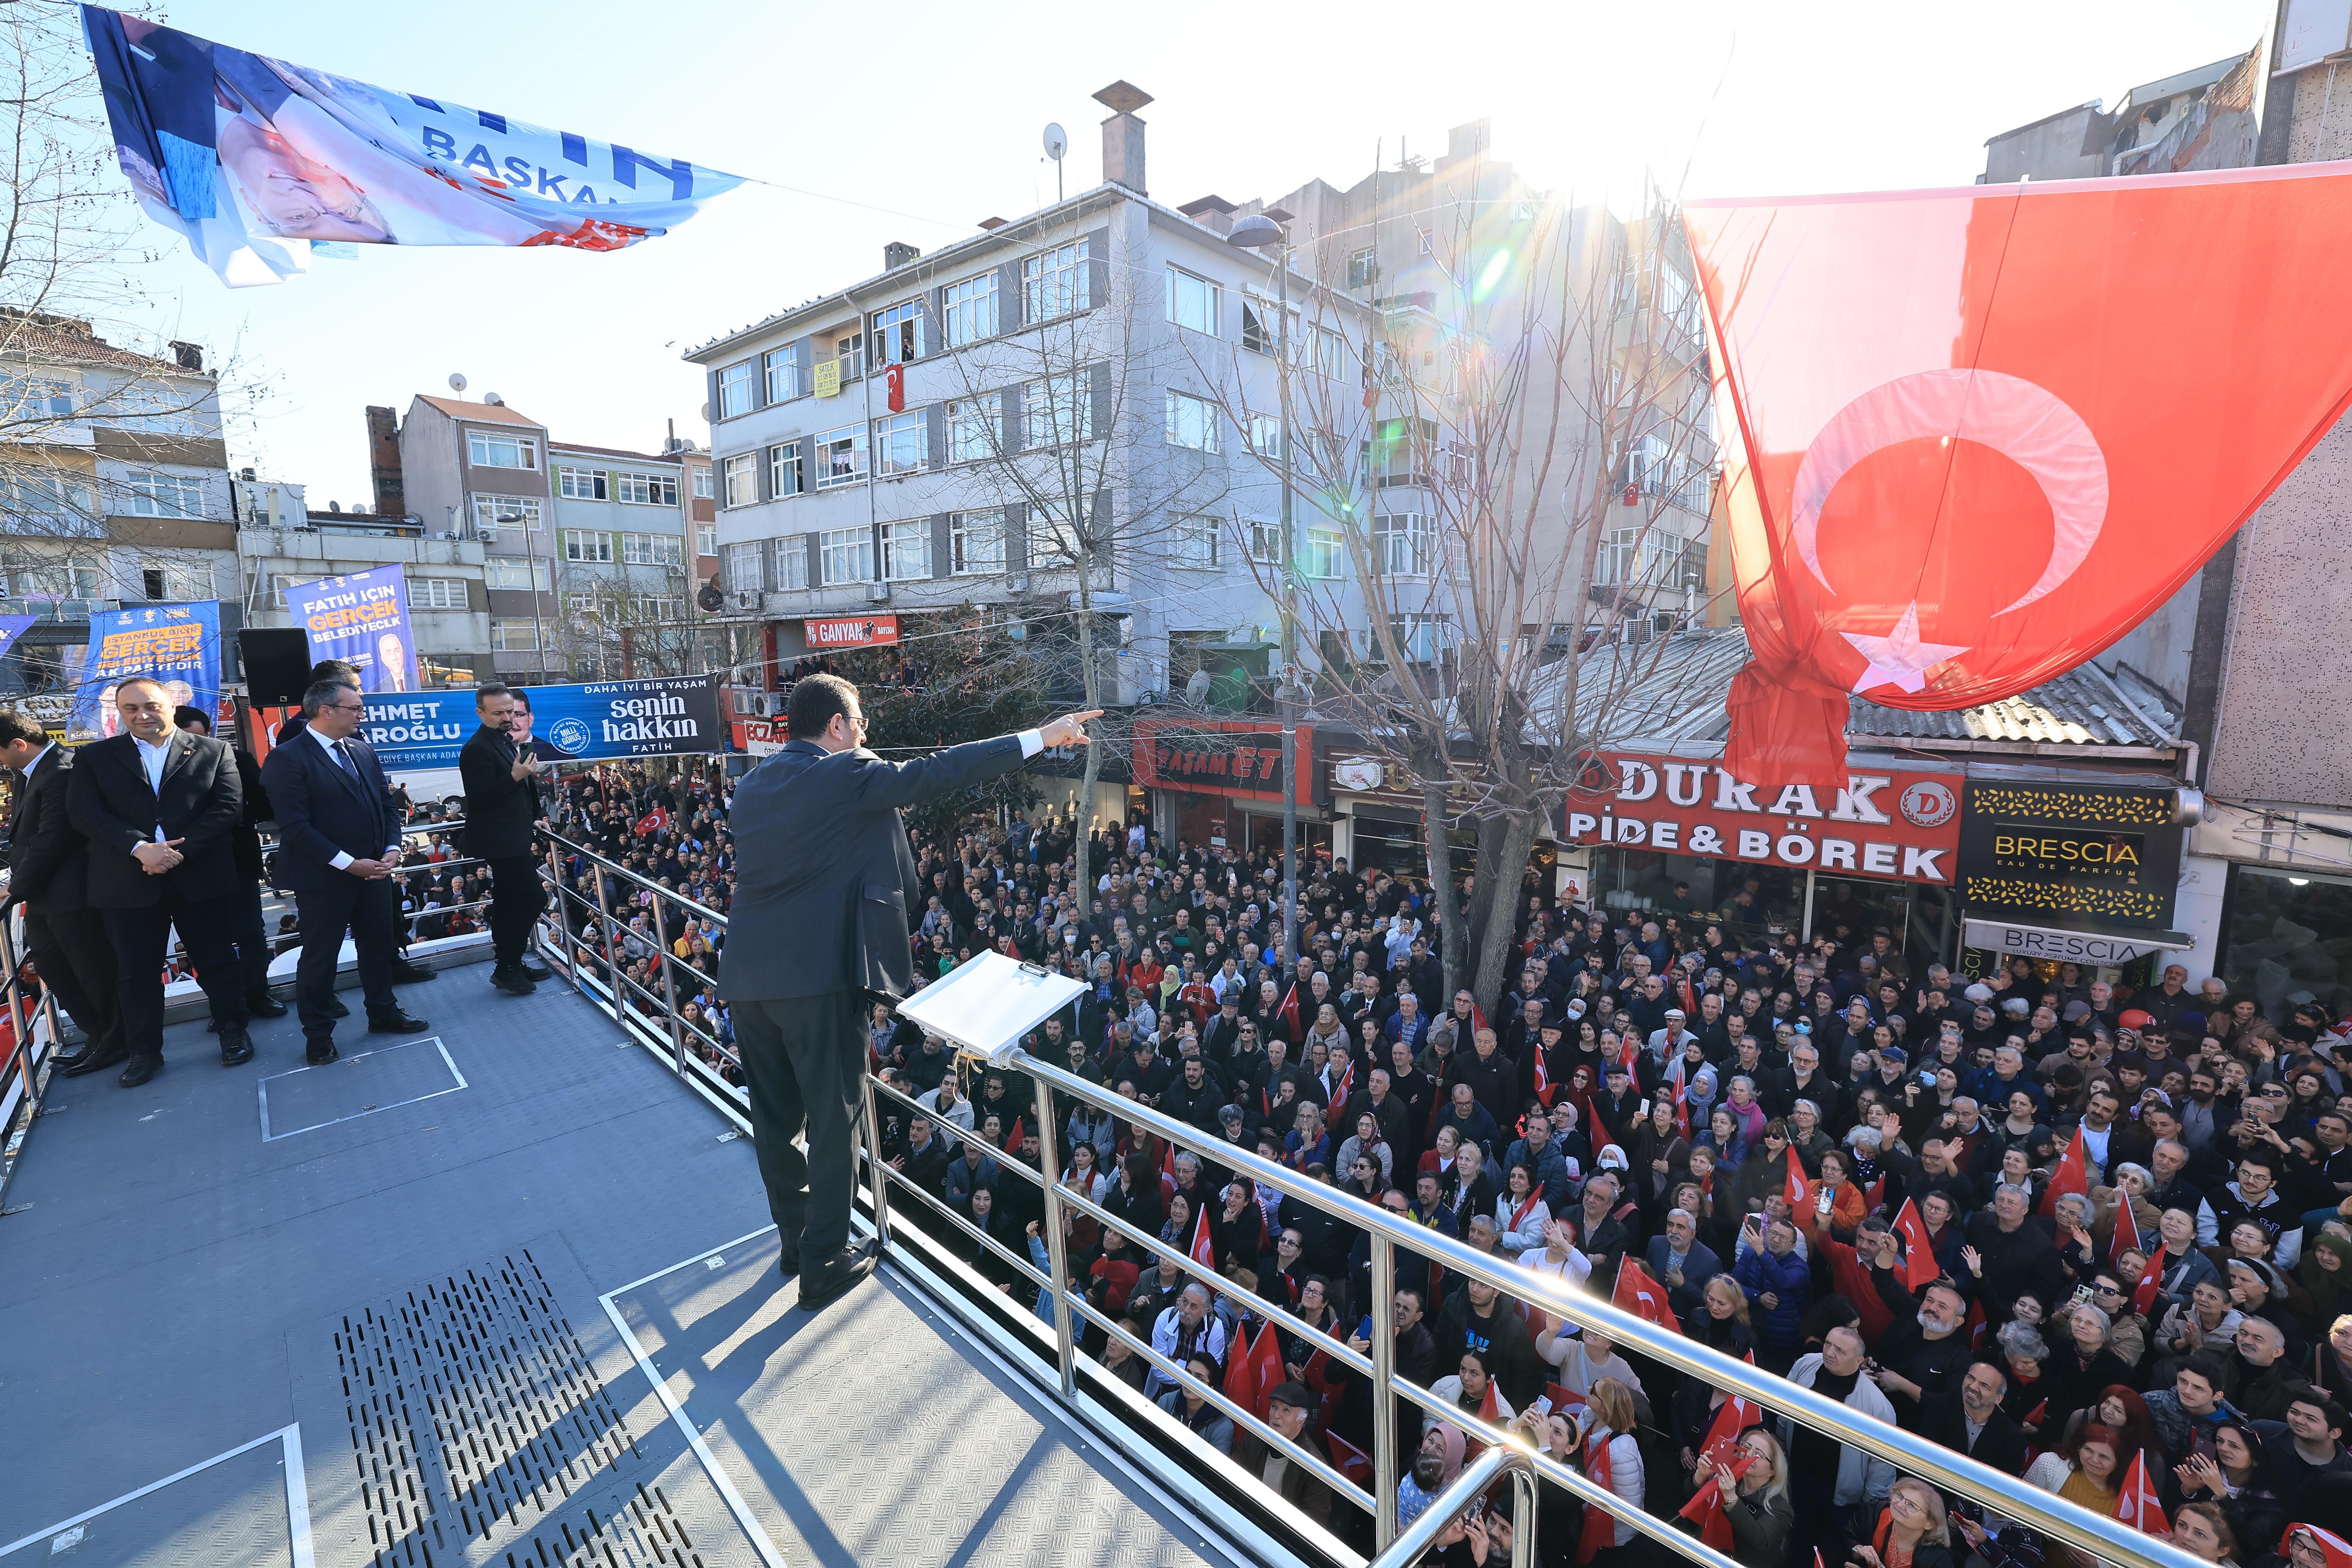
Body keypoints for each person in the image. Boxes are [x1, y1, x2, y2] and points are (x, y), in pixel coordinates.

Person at [716, 671, 1096, 1310]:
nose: (865, 734)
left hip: (750, 979)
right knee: (837, 1120)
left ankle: (795, 1239)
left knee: (776, 1121)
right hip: (820, 983)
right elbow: (938, 771)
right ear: (835, 726)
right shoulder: (844, 773)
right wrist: (1042, 736)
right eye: (859, 722)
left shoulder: (751, 787)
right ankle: (824, 1262)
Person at [66, 676, 251, 1083]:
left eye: (150, 705)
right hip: (126, 881)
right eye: (131, 709)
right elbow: (85, 814)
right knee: (135, 973)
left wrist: (174, 854)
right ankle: (144, 1053)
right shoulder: (94, 758)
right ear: (120, 712)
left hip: (200, 876)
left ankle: (233, 1032)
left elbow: (228, 809)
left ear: (170, 704)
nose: (142, 715)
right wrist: (140, 849)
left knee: (217, 961)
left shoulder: (214, 750)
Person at [260, 680, 429, 1063]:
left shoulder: (362, 750)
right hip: (323, 880)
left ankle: (383, 1012)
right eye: (354, 708)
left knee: (379, 946)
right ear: (326, 711)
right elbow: (295, 827)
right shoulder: (287, 758)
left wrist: (390, 849)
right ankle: (318, 1035)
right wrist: (348, 864)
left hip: (374, 872)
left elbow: (386, 807)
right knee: (320, 957)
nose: (361, 715)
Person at [0, 710, 124, 1076]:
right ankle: (98, 1036)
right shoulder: (28, 772)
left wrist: (13, 889)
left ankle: (116, 1040)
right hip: (44, 895)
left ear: (19, 744)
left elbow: (51, 840)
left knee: (92, 971)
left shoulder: (61, 772)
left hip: (73, 894)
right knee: (55, 970)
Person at [459, 684, 553, 996]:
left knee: (509, 902)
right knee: (533, 899)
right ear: (480, 713)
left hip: (514, 834)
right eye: (498, 713)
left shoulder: (503, 740)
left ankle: (510, 962)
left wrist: (532, 817)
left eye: (510, 712)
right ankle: (507, 967)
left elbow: (518, 789)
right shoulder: (477, 748)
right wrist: (514, 776)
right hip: (501, 841)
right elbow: (479, 797)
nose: (507, 718)